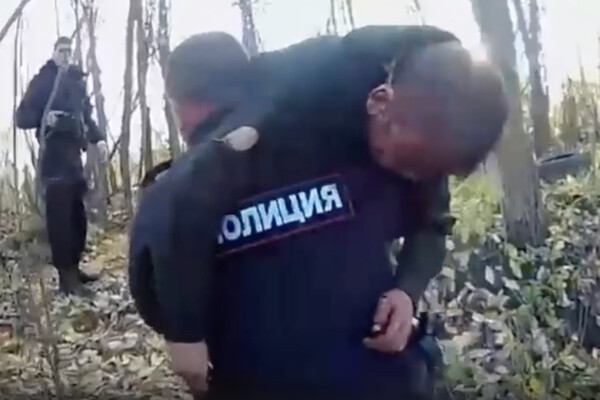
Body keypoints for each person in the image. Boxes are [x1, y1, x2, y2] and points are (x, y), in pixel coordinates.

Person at [130, 26, 507, 399]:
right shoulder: (287, 102)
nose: (410, 179)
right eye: (409, 165)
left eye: (429, 172)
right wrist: (185, 332)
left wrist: (406, 291)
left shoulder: (431, 120)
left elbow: (432, 220)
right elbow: (178, 204)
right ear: (378, 101)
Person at [16, 36, 108, 295]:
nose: (65, 55)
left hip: (74, 158)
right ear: (54, 53)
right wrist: (47, 119)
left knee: (78, 218)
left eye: (69, 51)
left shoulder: (76, 81)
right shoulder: (43, 81)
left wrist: (98, 139)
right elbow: (22, 117)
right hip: (53, 158)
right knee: (60, 220)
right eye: (61, 50)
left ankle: (75, 269)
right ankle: (66, 278)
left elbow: (86, 116)